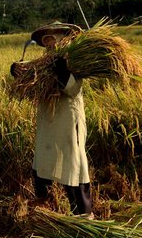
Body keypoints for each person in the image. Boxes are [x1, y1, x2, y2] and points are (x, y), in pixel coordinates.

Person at [11, 22, 93, 219]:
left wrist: (62, 70)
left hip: (68, 120)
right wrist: (16, 72)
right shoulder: (43, 63)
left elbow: (72, 89)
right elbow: (27, 87)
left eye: (53, 39)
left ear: (64, 39)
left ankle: (83, 216)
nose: (50, 44)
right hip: (47, 121)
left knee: (73, 165)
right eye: (46, 41)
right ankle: (46, 207)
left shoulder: (74, 61)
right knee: (44, 160)